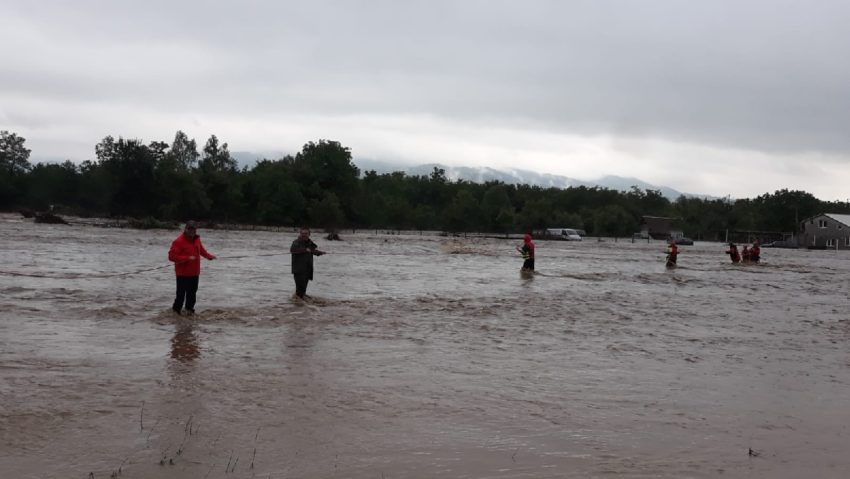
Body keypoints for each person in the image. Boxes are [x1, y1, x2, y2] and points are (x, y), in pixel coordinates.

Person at [168, 221, 216, 315]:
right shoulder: (178, 241)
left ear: (195, 230)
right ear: (185, 229)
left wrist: (208, 256)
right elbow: (171, 257)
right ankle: (174, 314)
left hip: (194, 273)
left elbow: (201, 250)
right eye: (189, 229)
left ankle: (189, 313)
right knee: (180, 297)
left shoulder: (197, 239)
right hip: (182, 274)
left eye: (193, 229)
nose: (191, 231)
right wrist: (187, 258)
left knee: (192, 296)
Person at [290, 228, 325, 299]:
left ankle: (301, 304)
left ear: (309, 235)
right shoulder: (296, 242)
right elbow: (293, 250)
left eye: (306, 234)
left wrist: (319, 253)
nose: (304, 235)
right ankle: (298, 304)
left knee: (303, 289)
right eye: (302, 233)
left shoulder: (309, 243)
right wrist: (305, 250)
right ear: (300, 234)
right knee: (300, 289)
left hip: (308, 269)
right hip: (299, 269)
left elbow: (312, 250)